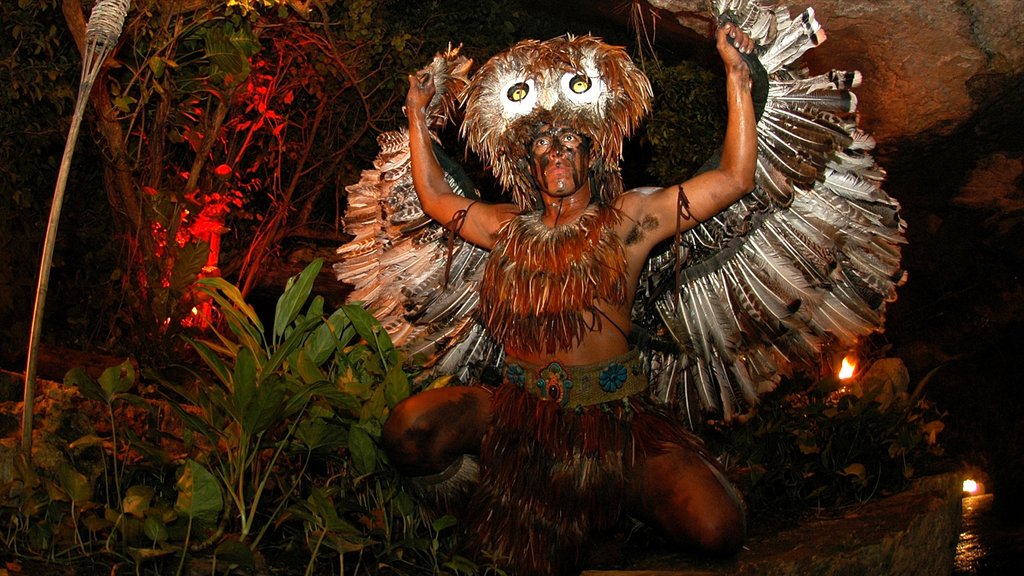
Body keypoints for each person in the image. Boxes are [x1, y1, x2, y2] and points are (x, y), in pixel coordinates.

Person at [383, 23, 757, 575]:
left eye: (569, 141)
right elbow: (437, 197)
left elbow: (733, 178)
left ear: (592, 151)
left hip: (613, 428)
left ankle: (614, 511)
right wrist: (417, 115)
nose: (555, 151)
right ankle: (498, 502)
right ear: (527, 161)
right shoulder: (506, 228)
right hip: (519, 418)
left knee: (716, 526)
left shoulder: (629, 221)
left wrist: (737, 75)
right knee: (408, 431)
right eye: (540, 142)